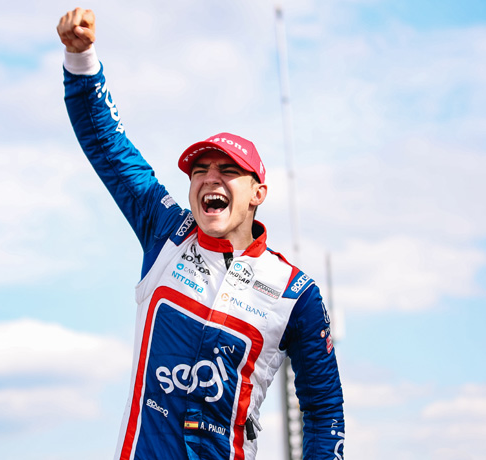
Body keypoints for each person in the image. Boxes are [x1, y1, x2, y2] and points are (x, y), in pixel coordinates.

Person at [57, 8, 344, 460]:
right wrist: (81, 59)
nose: (210, 178)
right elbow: (108, 145)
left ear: (258, 193)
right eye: (199, 170)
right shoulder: (167, 231)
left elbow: (325, 412)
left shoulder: (297, 294)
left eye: (227, 170)